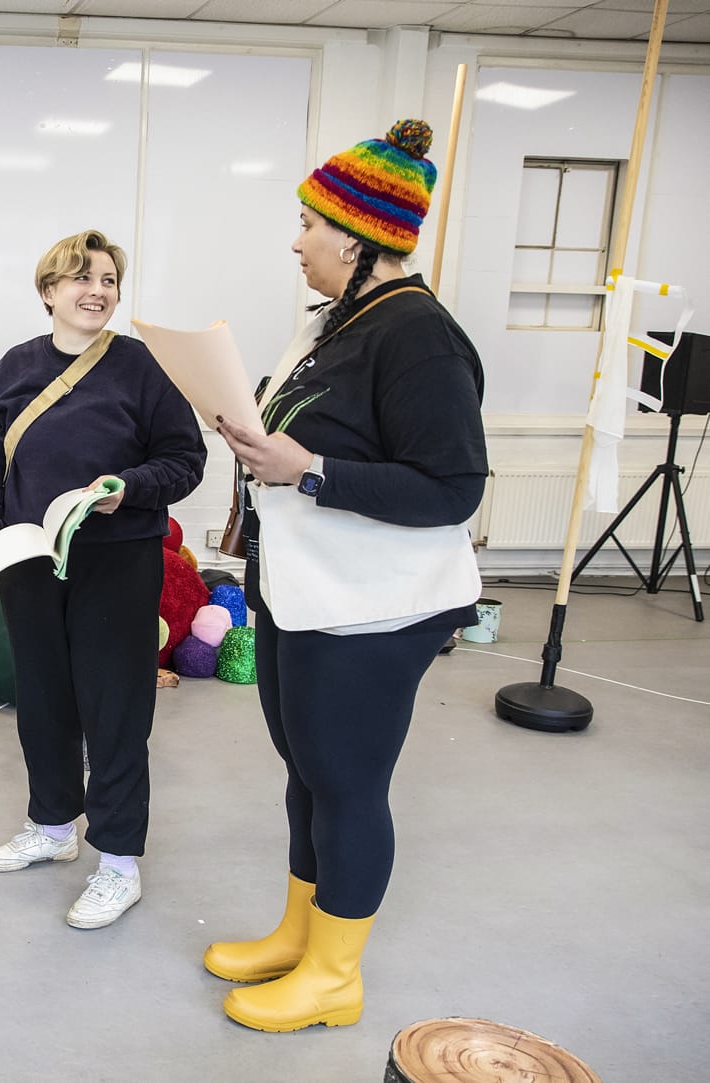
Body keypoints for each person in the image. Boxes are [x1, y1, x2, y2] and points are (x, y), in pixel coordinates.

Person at [207, 120, 488, 1032]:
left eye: (309, 225)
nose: (296, 242)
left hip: (372, 605)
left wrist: (308, 470)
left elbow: (452, 485)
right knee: (307, 771)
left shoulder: (419, 338)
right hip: (304, 587)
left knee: (347, 780)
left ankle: (336, 976)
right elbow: (303, 436)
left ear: (361, 239)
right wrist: (257, 455)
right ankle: (303, 932)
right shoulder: (339, 322)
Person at [0, 229, 206, 930]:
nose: (97, 290)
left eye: (108, 280)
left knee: (117, 709)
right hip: (29, 556)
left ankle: (120, 862)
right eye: (81, 278)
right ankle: (52, 824)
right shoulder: (15, 366)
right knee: (43, 696)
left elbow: (184, 460)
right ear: (48, 292)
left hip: (118, 558)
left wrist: (124, 488)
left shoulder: (141, 368)